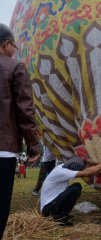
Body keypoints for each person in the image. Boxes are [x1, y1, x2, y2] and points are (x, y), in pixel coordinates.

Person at [0, 23, 40, 239]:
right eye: (13, 45)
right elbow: (25, 111)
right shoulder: (15, 67)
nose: (14, 50)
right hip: (3, 150)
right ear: (6, 44)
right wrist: (33, 145)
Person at [40, 156, 101, 226]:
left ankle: (60, 215)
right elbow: (87, 173)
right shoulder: (63, 172)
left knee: (74, 188)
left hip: (49, 206)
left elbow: (88, 170)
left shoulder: (60, 167)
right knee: (76, 188)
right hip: (48, 210)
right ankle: (60, 217)